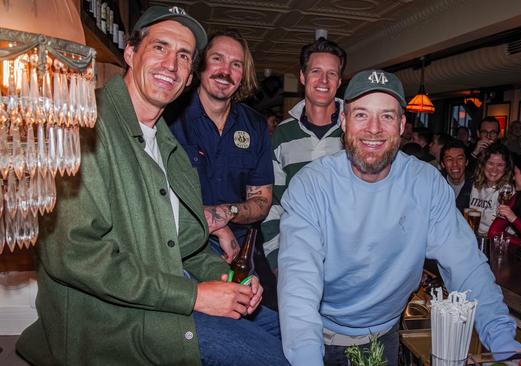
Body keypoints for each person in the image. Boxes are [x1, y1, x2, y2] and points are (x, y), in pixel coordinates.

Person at [16, 6, 287, 365]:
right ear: (130, 53)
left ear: (190, 76)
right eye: (160, 47)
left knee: (292, 335)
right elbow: (74, 255)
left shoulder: (168, 143)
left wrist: (228, 277)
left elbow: (186, 247)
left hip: (167, 299)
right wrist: (194, 296)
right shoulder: (84, 126)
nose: (171, 65)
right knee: (274, 358)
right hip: (117, 324)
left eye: (184, 56)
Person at [278, 69, 521, 366]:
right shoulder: (312, 185)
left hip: (385, 335)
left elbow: (465, 266)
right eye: (361, 115)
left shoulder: (427, 183)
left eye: (387, 116)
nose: (374, 128)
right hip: (318, 339)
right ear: (343, 121)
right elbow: (299, 283)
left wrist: (503, 342)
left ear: (402, 124)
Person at [168, 29, 278, 308]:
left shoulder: (254, 125)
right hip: (180, 247)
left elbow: (262, 201)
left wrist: (225, 215)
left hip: (241, 251)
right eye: (217, 59)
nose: (225, 71)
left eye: (236, 64)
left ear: (243, 74)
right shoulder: (169, 116)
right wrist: (215, 228)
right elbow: (156, 193)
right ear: (200, 64)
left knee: (273, 322)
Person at [260, 38, 347, 272]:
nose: (323, 81)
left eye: (331, 73)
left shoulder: (356, 129)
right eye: (316, 71)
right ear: (302, 76)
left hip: (349, 260)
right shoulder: (282, 134)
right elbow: (273, 203)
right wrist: (277, 260)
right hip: (296, 259)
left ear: (339, 81)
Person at [469, 144, 513, 235]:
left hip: (495, 239)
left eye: (500, 165)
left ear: (506, 168)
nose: (494, 170)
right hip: (473, 237)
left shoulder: (508, 192)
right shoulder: (474, 184)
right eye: (490, 163)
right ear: (483, 164)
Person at [440, 139, 473, 210]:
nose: (455, 164)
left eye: (460, 159)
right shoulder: (437, 183)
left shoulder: (476, 184)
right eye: (449, 159)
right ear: (442, 164)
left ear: (466, 162)